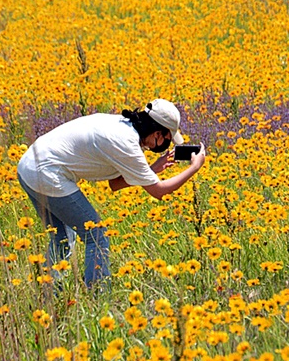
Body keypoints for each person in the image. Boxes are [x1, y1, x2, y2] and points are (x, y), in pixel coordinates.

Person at [17, 99, 206, 289]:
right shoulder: (126, 143)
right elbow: (159, 191)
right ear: (157, 133)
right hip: (47, 173)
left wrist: (152, 169)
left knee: (62, 237)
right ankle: (98, 294)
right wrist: (194, 168)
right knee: (96, 235)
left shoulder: (121, 126)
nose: (166, 144)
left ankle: (51, 294)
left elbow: (115, 183)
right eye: (167, 139)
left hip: (28, 166)